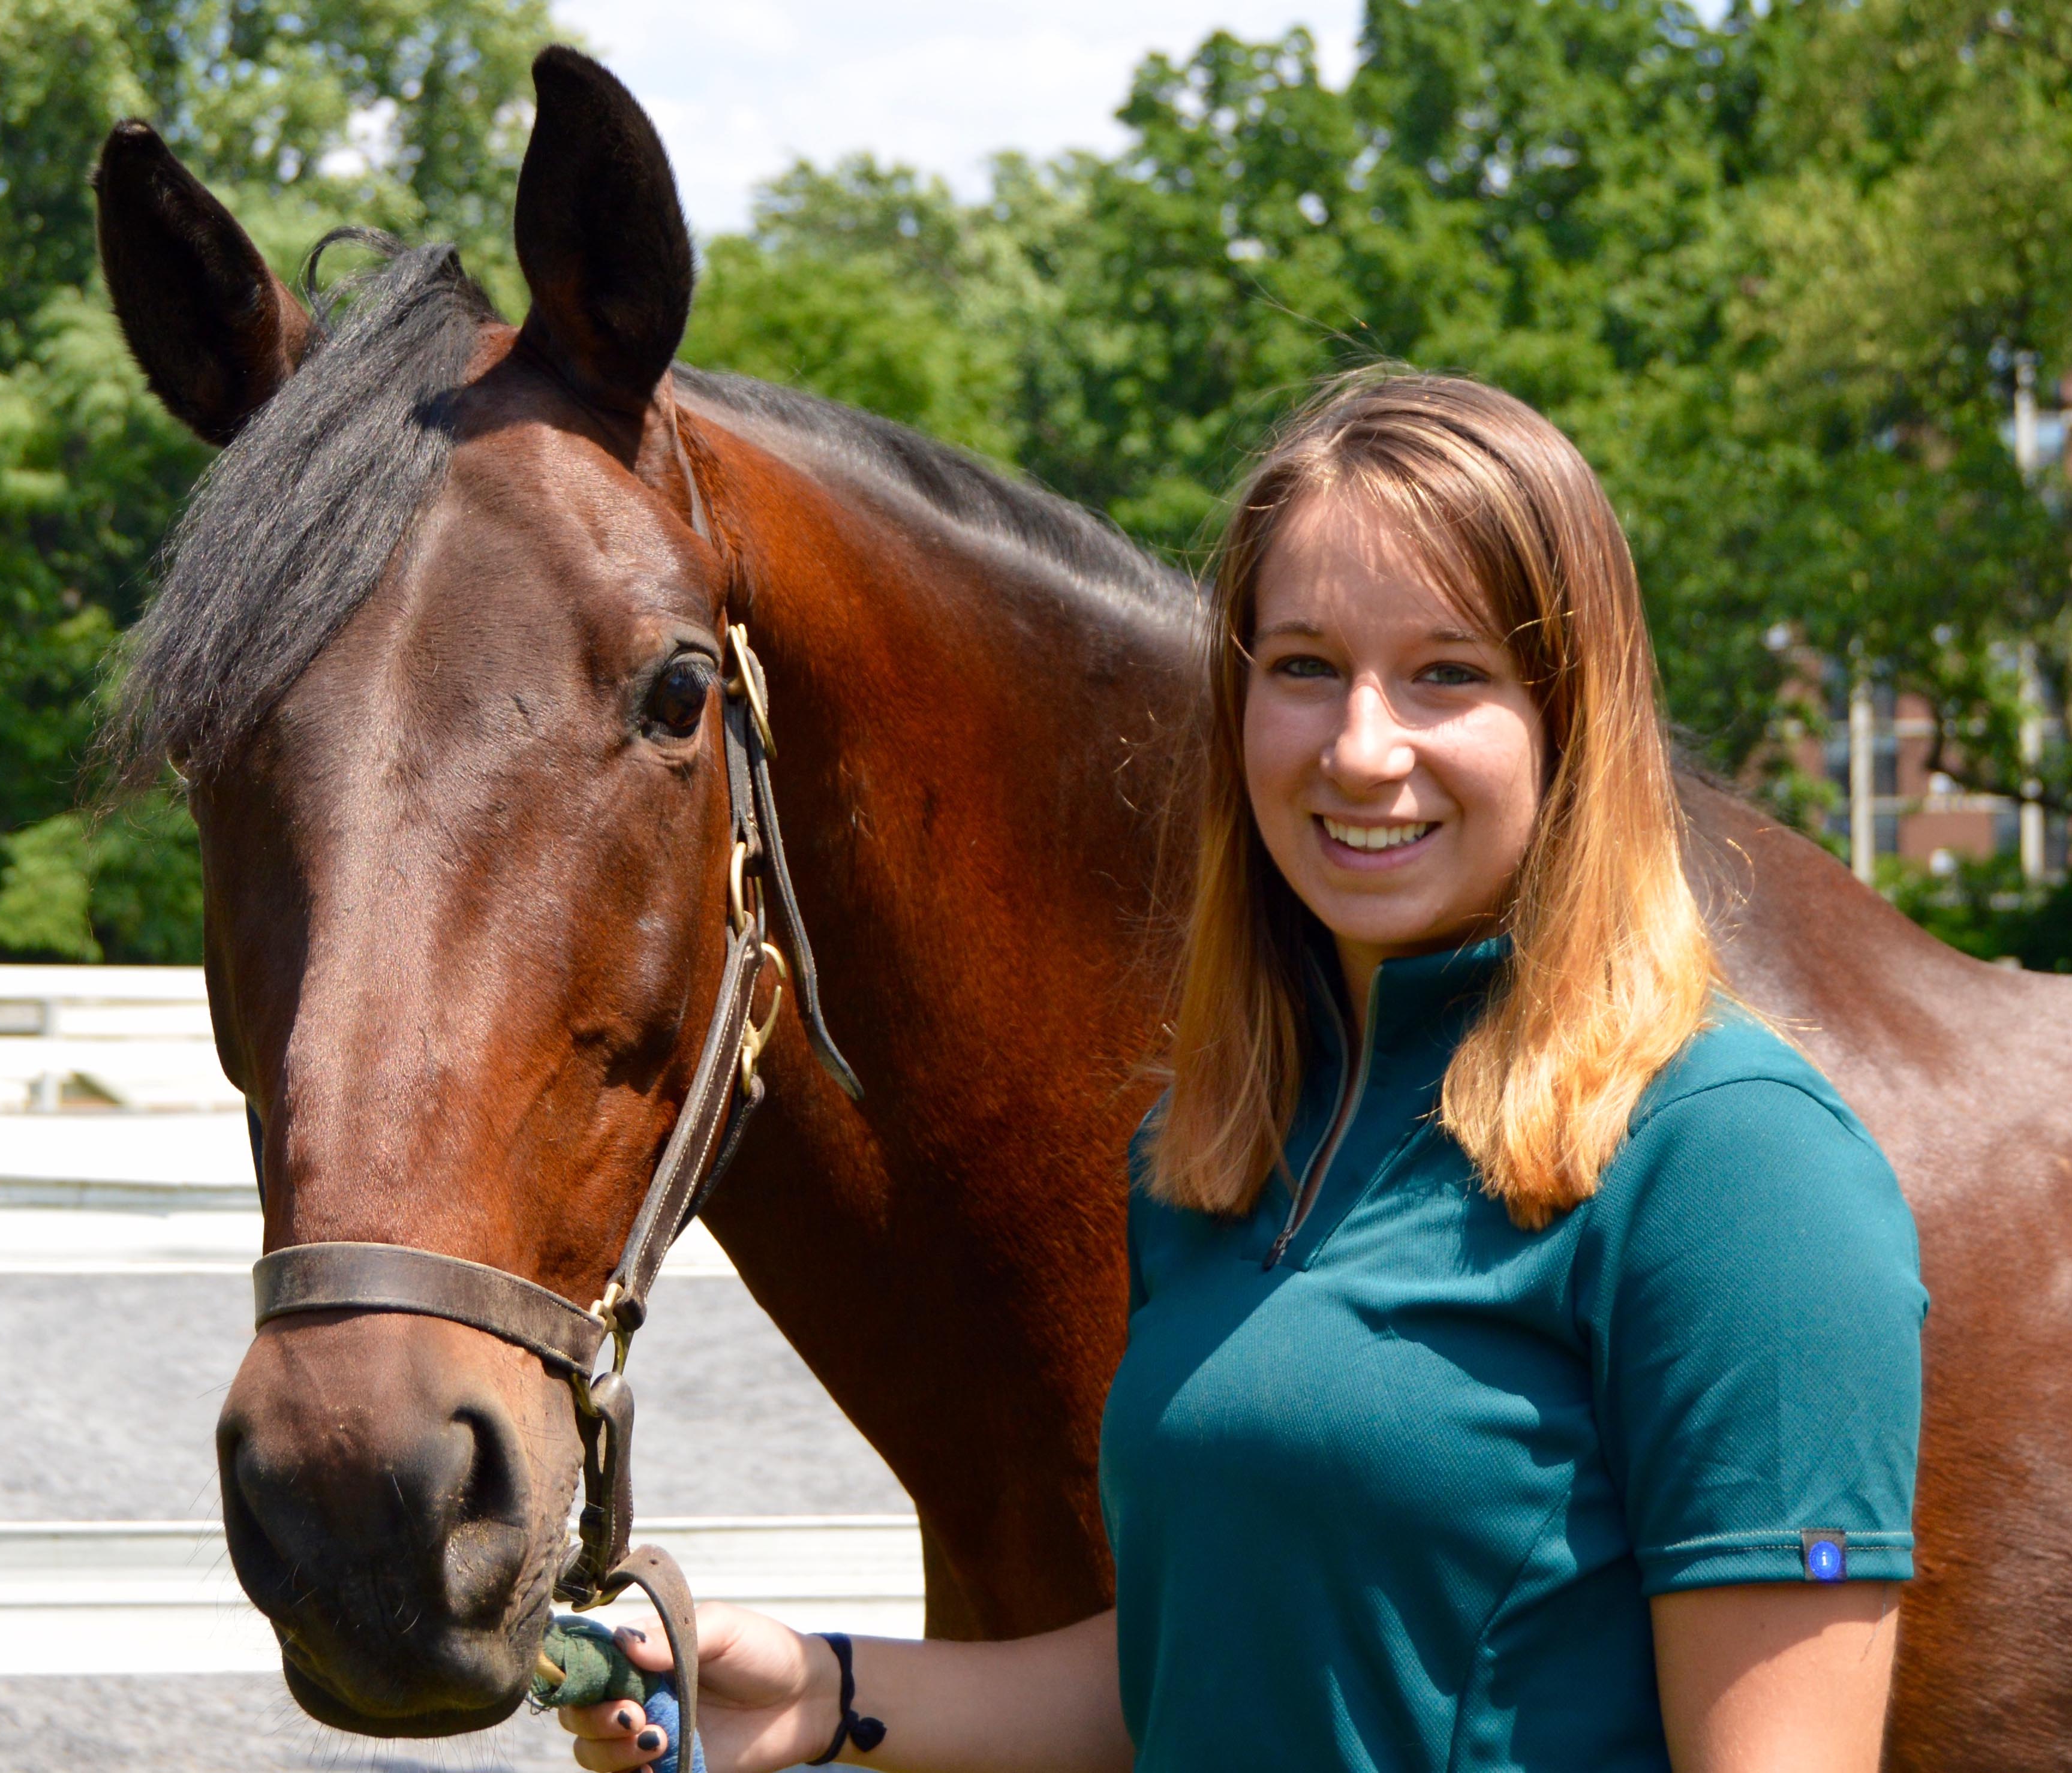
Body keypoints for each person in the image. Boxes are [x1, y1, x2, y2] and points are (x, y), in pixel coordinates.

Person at [560, 371, 1926, 1773]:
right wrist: (808, 1691)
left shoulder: (1739, 1167)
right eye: (1306, 668)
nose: (1362, 748)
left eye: (1449, 673)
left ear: (1574, 719)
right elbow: (1195, 1671)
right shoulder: (1214, 1153)